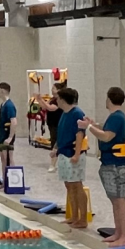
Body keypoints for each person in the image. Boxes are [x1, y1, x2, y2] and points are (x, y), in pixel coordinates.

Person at [79, 87, 125, 246]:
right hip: (112, 162)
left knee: (120, 201)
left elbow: (107, 137)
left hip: (116, 165)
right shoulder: (116, 117)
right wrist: (93, 124)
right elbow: (106, 129)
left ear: (109, 99)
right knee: (115, 201)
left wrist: (88, 127)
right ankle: (119, 232)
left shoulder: (117, 117)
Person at [53, 87, 87, 228]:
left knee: (77, 185)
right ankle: (73, 216)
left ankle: (83, 219)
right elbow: (62, 133)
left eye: (58, 98)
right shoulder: (65, 113)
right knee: (69, 185)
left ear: (63, 100)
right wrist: (55, 149)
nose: (56, 101)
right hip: (64, 152)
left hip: (73, 154)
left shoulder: (77, 113)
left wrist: (77, 154)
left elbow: (80, 135)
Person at [36, 82, 65, 173]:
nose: (52, 90)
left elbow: (50, 108)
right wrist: (39, 100)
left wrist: (41, 99)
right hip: (51, 124)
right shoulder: (52, 99)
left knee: (56, 144)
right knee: (54, 142)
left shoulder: (59, 100)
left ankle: (53, 164)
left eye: (54, 88)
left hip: (58, 124)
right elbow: (44, 107)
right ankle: (55, 163)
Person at [0, 82, 18, 176]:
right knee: (3, 159)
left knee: (8, 158)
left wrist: (10, 137)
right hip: (1, 133)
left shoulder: (9, 105)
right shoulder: (3, 104)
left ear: (2, 91)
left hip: (6, 134)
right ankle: (5, 180)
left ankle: (12, 180)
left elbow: (14, 121)